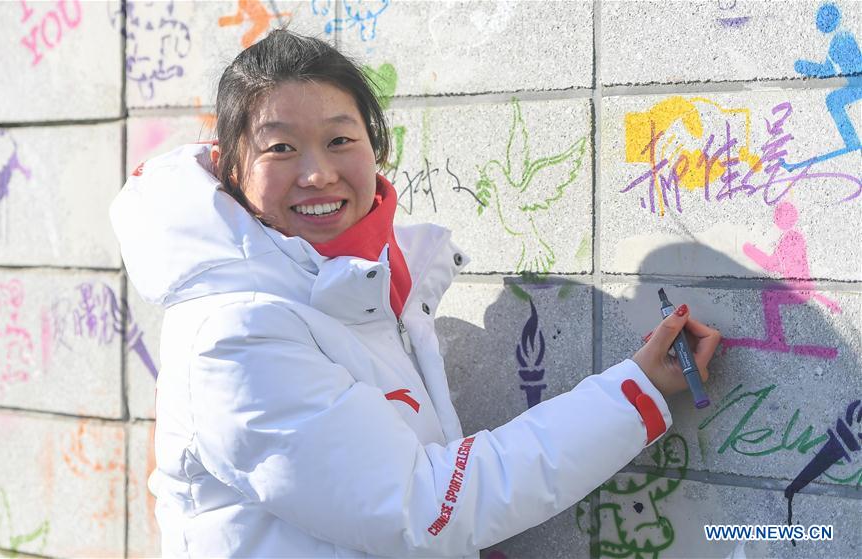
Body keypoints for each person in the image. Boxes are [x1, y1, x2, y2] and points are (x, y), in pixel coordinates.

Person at [110, 29, 721, 558]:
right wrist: (632, 394)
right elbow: (424, 505)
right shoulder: (236, 333)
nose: (317, 172)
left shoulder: (359, 288)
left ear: (375, 148)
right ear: (230, 169)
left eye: (339, 139)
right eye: (280, 148)